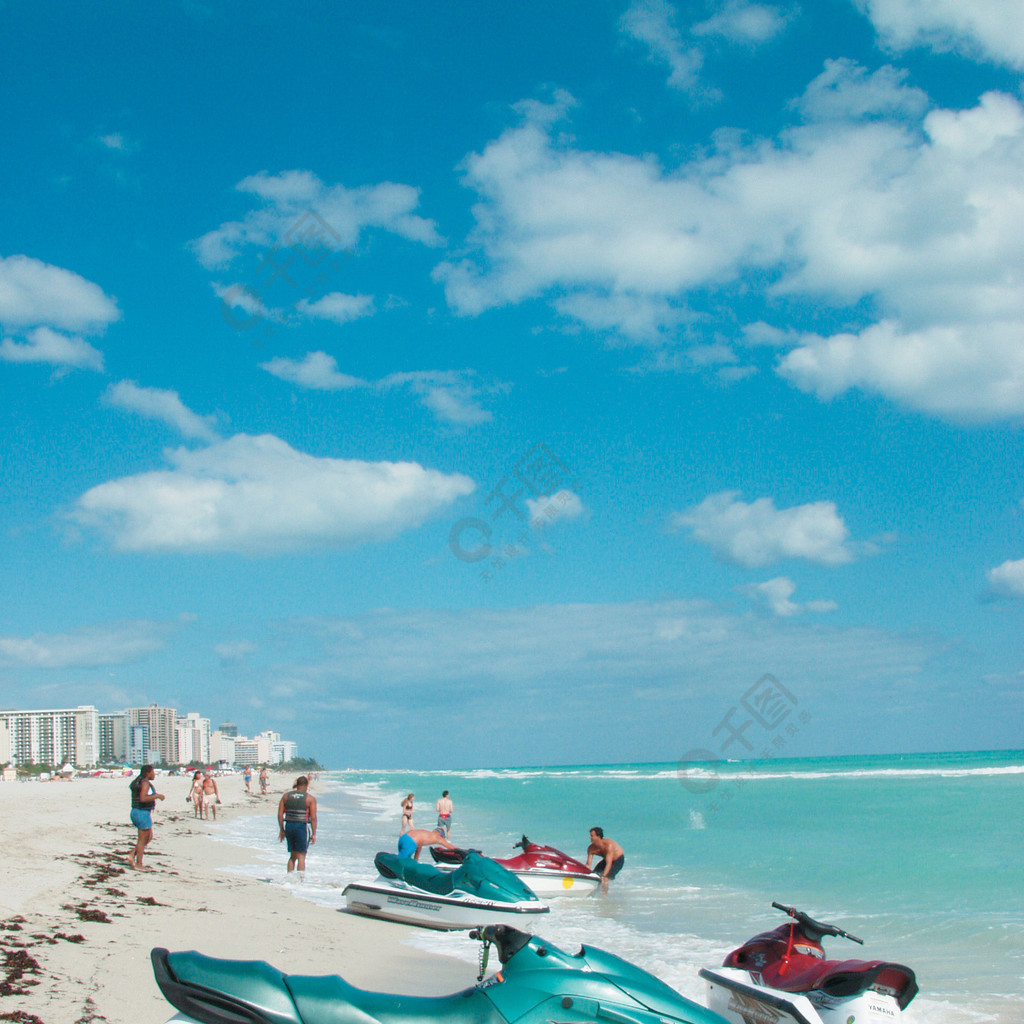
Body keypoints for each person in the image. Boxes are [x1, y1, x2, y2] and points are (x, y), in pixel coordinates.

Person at [278, 776, 317, 876]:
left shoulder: (286, 796)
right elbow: (313, 818)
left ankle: (290, 878)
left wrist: (282, 830)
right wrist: (313, 833)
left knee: (293, 855)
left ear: (297, 784)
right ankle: (299, 881)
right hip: (301, 826)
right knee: (301, 856)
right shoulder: (310, 798)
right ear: (307, 785)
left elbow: (280, 814)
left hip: (289, 825)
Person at [127, 765, 164, 870]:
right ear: (148, 773)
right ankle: (139, 864)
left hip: (135, 811)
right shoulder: (145, 783)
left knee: (149, 837)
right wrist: (157, 796)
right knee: (142, 840)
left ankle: (132, 854)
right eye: (153, 772)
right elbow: (143, 798)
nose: (154, 774)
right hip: (142, 813)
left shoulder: (137, 781)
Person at [585, 826, 624, 892]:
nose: (590, 837)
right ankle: (593, 892)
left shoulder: (608, 845)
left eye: (592, 836)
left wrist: (604, 875)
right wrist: (585, 874)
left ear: (598, 837)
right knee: (594, 875)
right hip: (607, 860)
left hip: (618, 860)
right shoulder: (591, 848)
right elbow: (588, 864)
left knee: (605, 878)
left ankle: (604, 896)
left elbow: (609, 863)